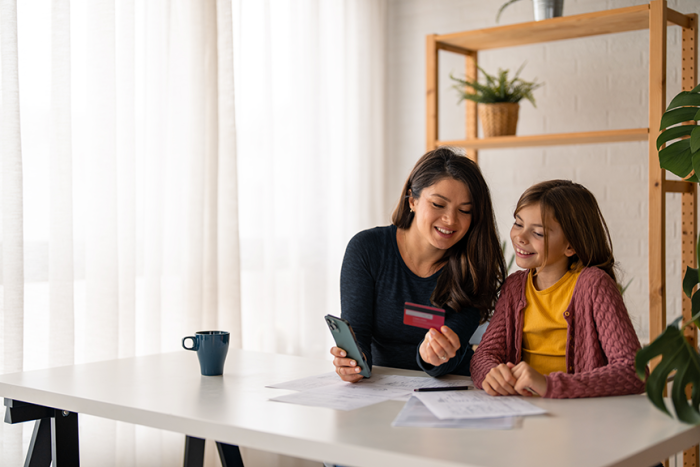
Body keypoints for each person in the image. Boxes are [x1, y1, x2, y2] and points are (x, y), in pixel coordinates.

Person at [331, 147, 507, 382]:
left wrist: (433, 356)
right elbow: (358, 334)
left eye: (464, 210)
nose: (451, 220)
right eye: (438, 204)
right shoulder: (367, 249)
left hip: (450, 386)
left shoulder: (473, 267)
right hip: (378, 384)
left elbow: (452, 355)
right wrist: (352, 364)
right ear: (412, 200)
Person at [470, 180, 645, 398]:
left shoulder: (594, 285)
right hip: (525, 412)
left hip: (580, 418)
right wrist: (491, 374)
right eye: (518, 223)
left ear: (570, 245)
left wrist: (550, 384)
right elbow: (484, 354)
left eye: (538, 233)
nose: (520, 238)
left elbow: (634, 371)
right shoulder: (515, 287)